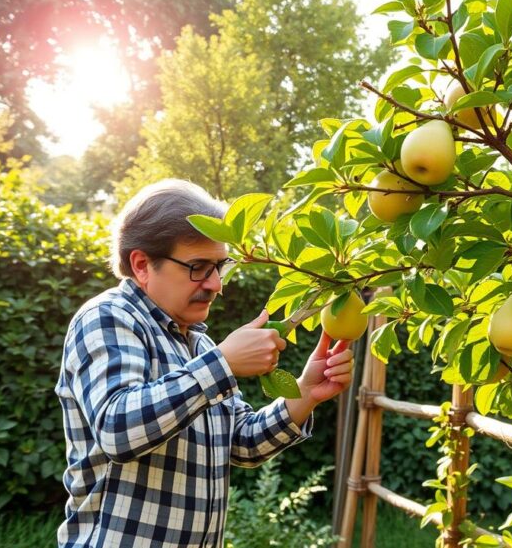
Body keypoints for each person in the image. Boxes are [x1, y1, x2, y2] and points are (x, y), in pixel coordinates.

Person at [55, 179, 353, 547]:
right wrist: (223, 363)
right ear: (142, 264)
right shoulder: (108, 317)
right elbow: (119, 430)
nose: (215, 285)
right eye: (198, 267)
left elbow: (241, 444)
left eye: (219, 267)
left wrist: (305, 393)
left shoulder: (198, 344)